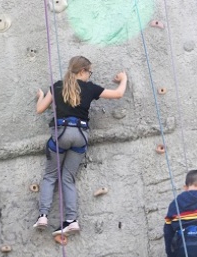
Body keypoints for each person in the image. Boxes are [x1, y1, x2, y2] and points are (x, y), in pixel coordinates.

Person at [34, 56, 127, 235]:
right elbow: (118, 94)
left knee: (50, 176)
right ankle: (71, 220)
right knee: (68, 178)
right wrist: (124, 79)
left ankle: (43, 216)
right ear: (83, 71)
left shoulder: (57, 86)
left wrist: (41, 97)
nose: (89, 76)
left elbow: (40, 109)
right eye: (89, 72)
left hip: (61, 134)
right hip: (81, 136)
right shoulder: (90, 88)